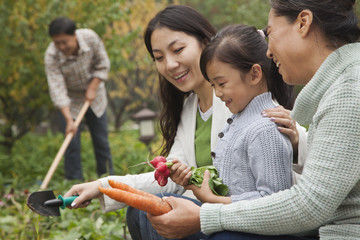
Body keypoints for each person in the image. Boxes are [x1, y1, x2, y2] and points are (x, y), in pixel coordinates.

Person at [147, 1, 360, 239]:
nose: (268, 51)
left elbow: (309, 205)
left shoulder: (349, 92)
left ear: (303, 23)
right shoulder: (341, 87)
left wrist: (206, 216)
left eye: (270, 33)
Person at [173, 24, 295, 206]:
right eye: (213, 85)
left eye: (221, 84)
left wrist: (216, 201)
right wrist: (194, 182)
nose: (218, 93)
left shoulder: (265, 128)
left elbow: (275, 201)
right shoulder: (238, 121)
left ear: (254, 74)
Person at [45, 17, 113, 180]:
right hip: (71, 100)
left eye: (64, 42)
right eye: (57, 43)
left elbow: (103, 63)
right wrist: (69, 119)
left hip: (94, 95)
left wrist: (93, 86)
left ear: (74, 35)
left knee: (101, 140)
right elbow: (57, 88)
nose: (61, 47)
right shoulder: (51, 56)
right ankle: (74, 181)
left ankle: (107, 179)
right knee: (71, 143)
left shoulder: (90, 38)